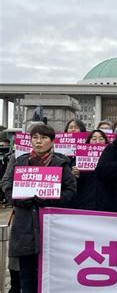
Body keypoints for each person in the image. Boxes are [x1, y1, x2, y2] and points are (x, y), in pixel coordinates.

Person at [1, 124, 76, 293]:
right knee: (26, 278)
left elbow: (70, 191)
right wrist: (18, 199)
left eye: (43, 138)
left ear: (51, 141)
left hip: (50, 226)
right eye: (35, 137)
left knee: (50, 277)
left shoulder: (61, 162)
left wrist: (49, 199)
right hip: (24, 226)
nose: (39, 141)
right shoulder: (20, 160)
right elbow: (6, 184)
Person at [68, 129, 109, 210]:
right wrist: (75, 175)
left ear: (106, 142)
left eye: (101, 139)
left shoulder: (111, 157)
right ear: (88, 141)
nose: (97, 141)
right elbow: (73, 184)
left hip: (106, 203)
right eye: (94, 139)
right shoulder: (79, 159)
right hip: (84, 203)